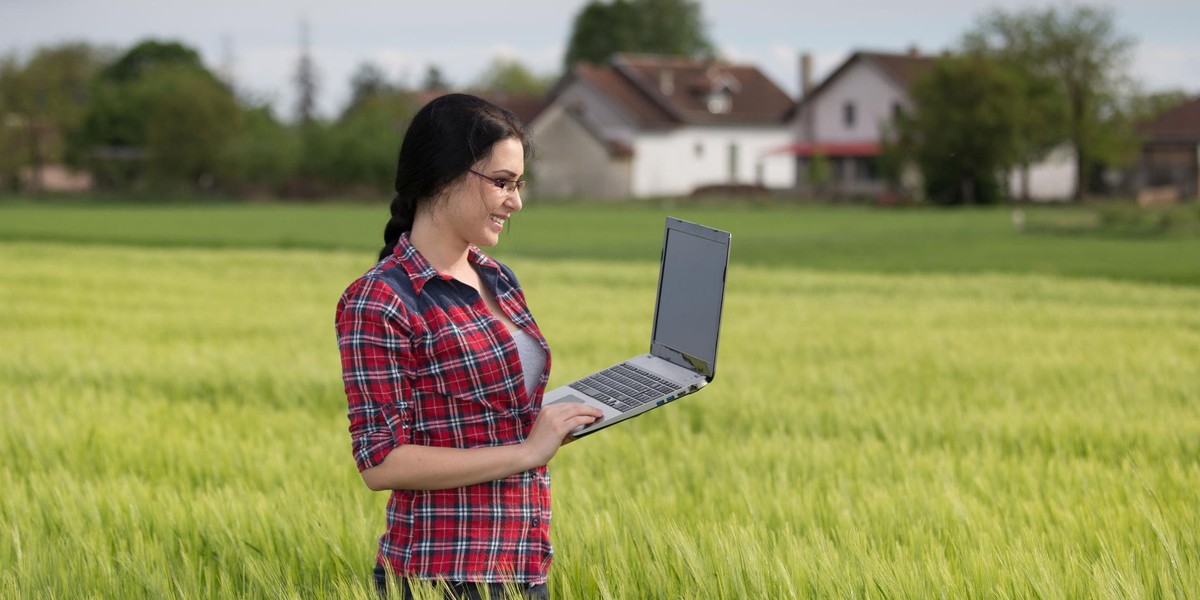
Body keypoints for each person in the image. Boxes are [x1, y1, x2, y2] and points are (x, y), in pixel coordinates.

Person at [335, 93, 603, 600]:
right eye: (501, 183)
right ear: (442, 177)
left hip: (523, 564)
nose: (516, 201)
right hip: (444, 576)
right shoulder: (380, 299)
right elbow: (381, 462)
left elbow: (489, 413)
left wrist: (550, 423)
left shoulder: (496, 276)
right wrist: (527, 450)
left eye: (519, 185)